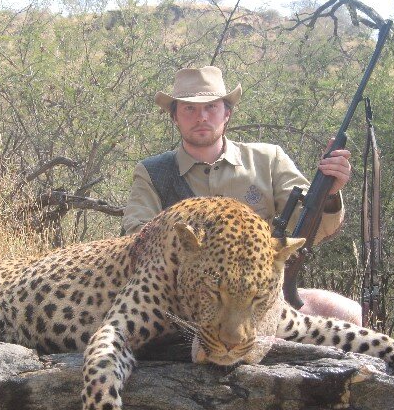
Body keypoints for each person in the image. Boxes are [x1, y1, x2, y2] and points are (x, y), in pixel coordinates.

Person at [122, 65, 361, 323]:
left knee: (350, 314)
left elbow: (314, 229)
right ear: (175, 117)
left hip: (260, 299)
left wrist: (329, 194)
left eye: (211, 107)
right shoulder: (152, 172)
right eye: (189, 108)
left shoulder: (268, 159)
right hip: (185, 305)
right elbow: (136, 239)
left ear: (227, 114)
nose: (201, 117)